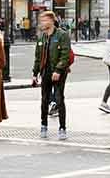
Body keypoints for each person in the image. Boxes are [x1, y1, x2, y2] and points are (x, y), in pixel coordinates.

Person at [32, 10, 71, 140]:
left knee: (59, 99)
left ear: (51, 21)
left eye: (44, 20)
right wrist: (35, 73)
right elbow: (38, 57)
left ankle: (62, 128)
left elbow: (65, 55)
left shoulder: (62, 35)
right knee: (44, 99)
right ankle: (43, 125)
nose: (42, 23)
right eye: (41, 21)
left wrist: (58, 70)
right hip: (45, 71)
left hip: (58, 73)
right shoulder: (42, 37)